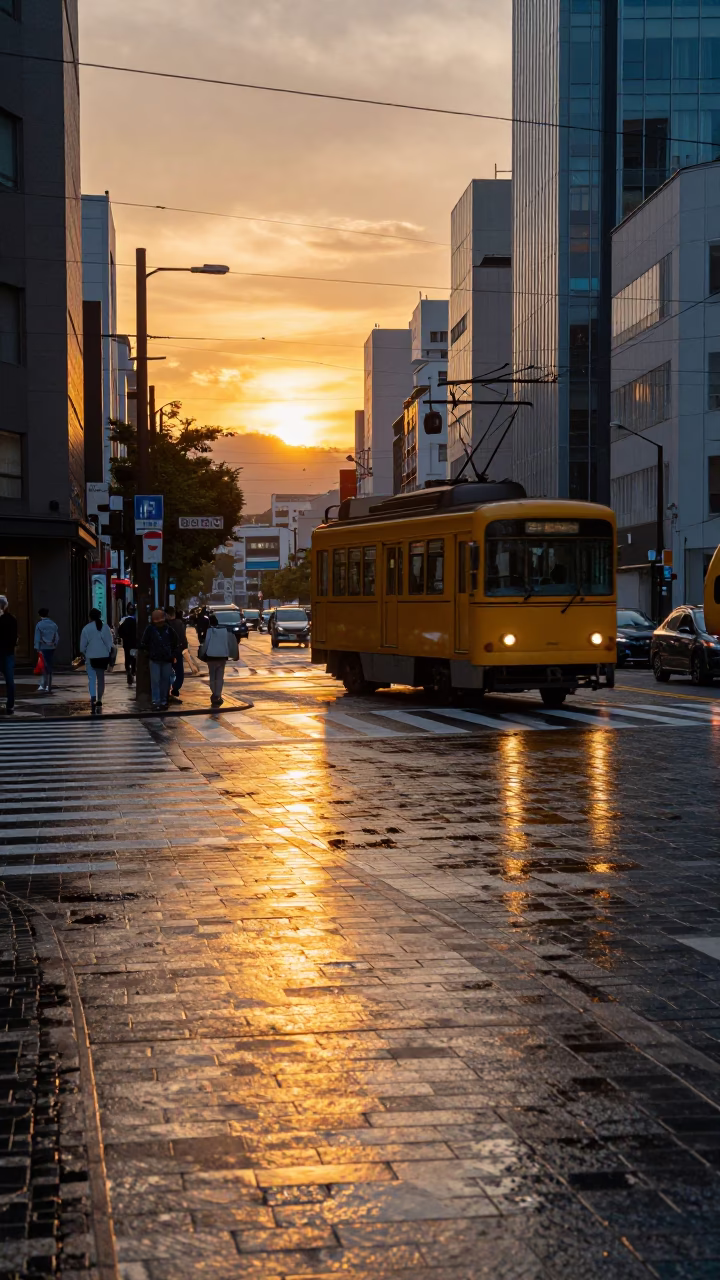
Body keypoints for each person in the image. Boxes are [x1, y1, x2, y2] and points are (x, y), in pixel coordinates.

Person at [140, 608, 178, 711]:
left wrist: (148, 653)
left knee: (157, 681)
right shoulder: (168, 629)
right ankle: (162, 701)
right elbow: (176, 644)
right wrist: (173, 655)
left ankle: (157, 701)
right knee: (163, 681)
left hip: (158, 659)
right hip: (163, 659)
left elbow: (143, 644)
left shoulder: (152, 629)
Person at [79, 608, 115, 714]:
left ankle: (93, 697)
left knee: (91, 678)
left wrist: (85, 653)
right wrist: (107, 653)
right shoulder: (105, 627)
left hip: (91, 656)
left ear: (90, 617)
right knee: (101, 679)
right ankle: (100, 699)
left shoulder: (86, 628)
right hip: (103, 656)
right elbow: (110, 643)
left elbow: (82, 647)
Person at [199, 613, 238, 707]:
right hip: (222, 656)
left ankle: (214, 694)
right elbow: (230, 643)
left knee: (212, 676)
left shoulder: (209, 631)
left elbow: (206, 644)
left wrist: (202, 653)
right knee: (220, 677)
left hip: (211, 657)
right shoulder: (225, 631)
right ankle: (217, 695)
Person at [33, 608, 59, 693]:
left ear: (40, 615)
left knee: (43, 666)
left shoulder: (39, 625)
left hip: (43, 647)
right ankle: (49, 684)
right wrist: (54, 644)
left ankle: (44, 684)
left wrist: (37, 648)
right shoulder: (53, 624)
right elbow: (57, 637)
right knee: (49, 665)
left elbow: (37, 638)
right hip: (51, 647)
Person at [166, 605, 188, 702]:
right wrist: (184, 647)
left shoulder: (165, 624)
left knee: (166, 672)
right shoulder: (180, 623)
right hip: (178, 651)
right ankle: (175, 688)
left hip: (167, 651)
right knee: (179, 672)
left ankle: (167, 690)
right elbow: (183, 637)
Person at [0, 595, 17, 715]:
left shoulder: (10, 619)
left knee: (10, 681)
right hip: (7, 653)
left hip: (6, 653)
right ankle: (10, 705)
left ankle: (10, 704)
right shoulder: (11, 619)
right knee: (10, 681)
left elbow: (13, 637)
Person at [117, 604, 138, 686]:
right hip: (134, 643)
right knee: (133, 658)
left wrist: (124, 637)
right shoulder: (136, 621)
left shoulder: (123, 621)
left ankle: (128, 671)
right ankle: (132, 671)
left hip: (126, 643)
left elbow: (120, 632)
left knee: (127, 658)